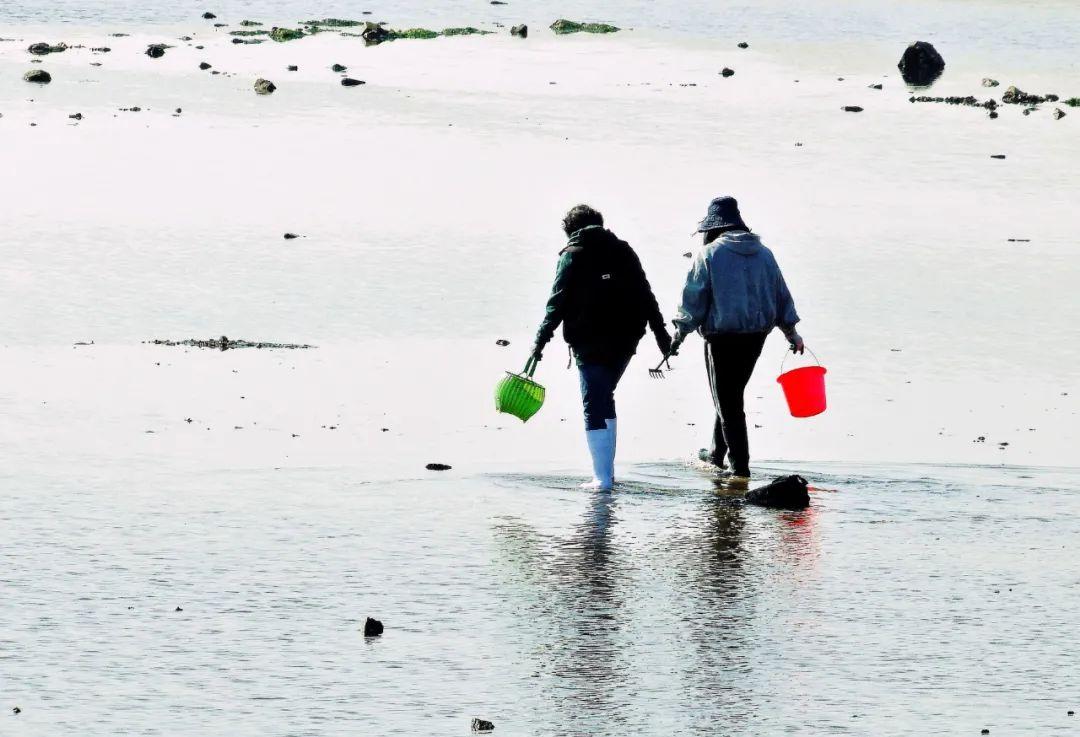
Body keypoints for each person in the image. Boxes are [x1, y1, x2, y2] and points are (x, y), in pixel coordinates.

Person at [533, 204, 672, 490]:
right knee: (603, 396)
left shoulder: (572, 255)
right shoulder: (624, 250)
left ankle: (602, 479)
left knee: (594, 403)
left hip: (589, 341)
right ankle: (606, 474)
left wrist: (540, 341)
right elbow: (646, 295)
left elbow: (556, 303)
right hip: (625, 339)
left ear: (571, 230)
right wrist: (662, 336)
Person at [669, 196, 805, 481]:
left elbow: (693, 300)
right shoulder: (764, 254)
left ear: (713, 228)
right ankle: (715, 454)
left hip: (721, 338)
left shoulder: (709, 254)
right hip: (756, 337)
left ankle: (739, 468)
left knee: (728, 402)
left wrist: (678, 334)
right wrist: (791, 333)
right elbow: (781, 295)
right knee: (730, 395)